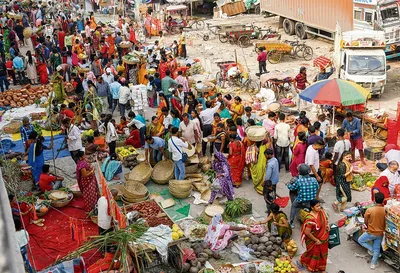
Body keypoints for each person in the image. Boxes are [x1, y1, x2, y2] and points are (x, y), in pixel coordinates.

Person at [298, 199, 329, 273]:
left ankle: (321, 268)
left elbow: (326, 220)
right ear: (312, 207)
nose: (319, 207)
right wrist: (316, 240)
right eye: (317, 206)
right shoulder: (310, 219)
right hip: (313, 239)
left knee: (323, 253)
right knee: (311, 253)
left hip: (323, 237)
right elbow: (307, 232)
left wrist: (327, 225)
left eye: (319, 205)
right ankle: (302, 260)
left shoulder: (321, 212)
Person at [358, 192, 386, 270]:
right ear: (383, 201)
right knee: (377, 248)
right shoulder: (385, 210)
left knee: (360, 240)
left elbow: (366, 221)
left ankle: (372, 250)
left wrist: (366, 227)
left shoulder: (370, 209)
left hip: (371, 232)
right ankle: (373, 264)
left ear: (374, 200)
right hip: (380, 233)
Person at [287, 164, 319, 229]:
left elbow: (292, 188)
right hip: (311, 199)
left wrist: (288, 184)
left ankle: (291, 222)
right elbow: (317, 187)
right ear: (309, 171)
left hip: (301, 199)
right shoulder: (314, 179)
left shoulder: (299, 181)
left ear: (299, 172)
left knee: (293, 206)